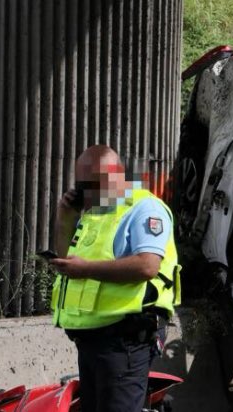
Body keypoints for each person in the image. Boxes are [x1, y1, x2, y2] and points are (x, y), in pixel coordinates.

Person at [49, 145, 181, 412]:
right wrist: (65, 220)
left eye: (89, 185)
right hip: (92, 341)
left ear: (114, 177)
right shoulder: (97, 215)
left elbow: (147, 266)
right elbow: (70, 264)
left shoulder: (144, 208)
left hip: (125, 340)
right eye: (80, 184)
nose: (83, 192)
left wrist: (85, 269)